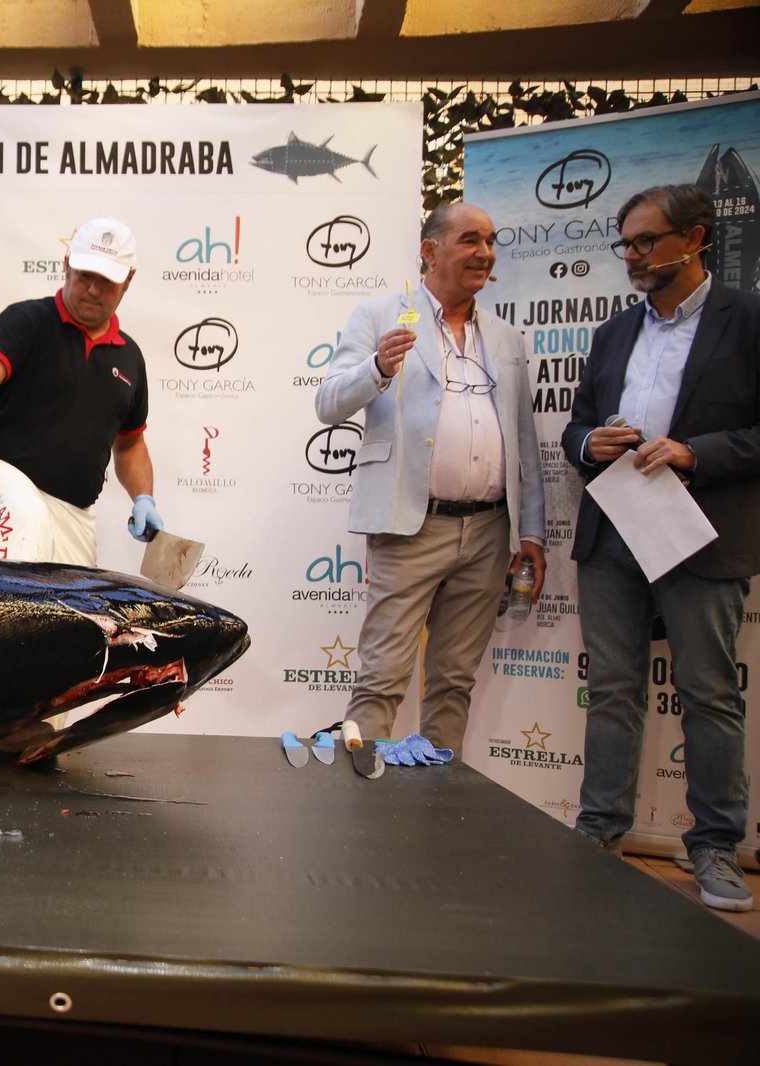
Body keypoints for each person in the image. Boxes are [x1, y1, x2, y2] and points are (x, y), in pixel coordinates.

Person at [562, 183, 759, 913]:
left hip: (697, 536)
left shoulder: (747, 319)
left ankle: (712, 848)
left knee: (710, 695)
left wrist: (695, 453)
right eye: (626, 244)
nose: (633, 257)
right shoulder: (614, 331)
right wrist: (591, 441)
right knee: (612, 690)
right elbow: (576, 426)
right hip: (613, 530)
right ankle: (599, 834)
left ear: (695, 237)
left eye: (645, 242)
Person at [314, 202, 546, 758]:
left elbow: (524, 443)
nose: (485, 253)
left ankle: (436, 812)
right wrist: (377, 368)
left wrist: (531, 535)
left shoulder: (507, 337)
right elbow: (327, 403)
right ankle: (361, 814)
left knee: (454, 683)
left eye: (490, 241)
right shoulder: (380, 315)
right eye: (470, 240)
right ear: (429, 250)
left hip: (490, 532)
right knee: (381, 679)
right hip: (410, 526)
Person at [0, 218, 162, 566]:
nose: (92, 289)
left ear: (128, 281)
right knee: (25, 517)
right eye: (85, 275)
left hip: (75, 512)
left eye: (105, 280)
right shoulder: (28, 320)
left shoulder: (130, 358)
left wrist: (143, 498)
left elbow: (131, 444)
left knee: (77, 617)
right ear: (67, 265)